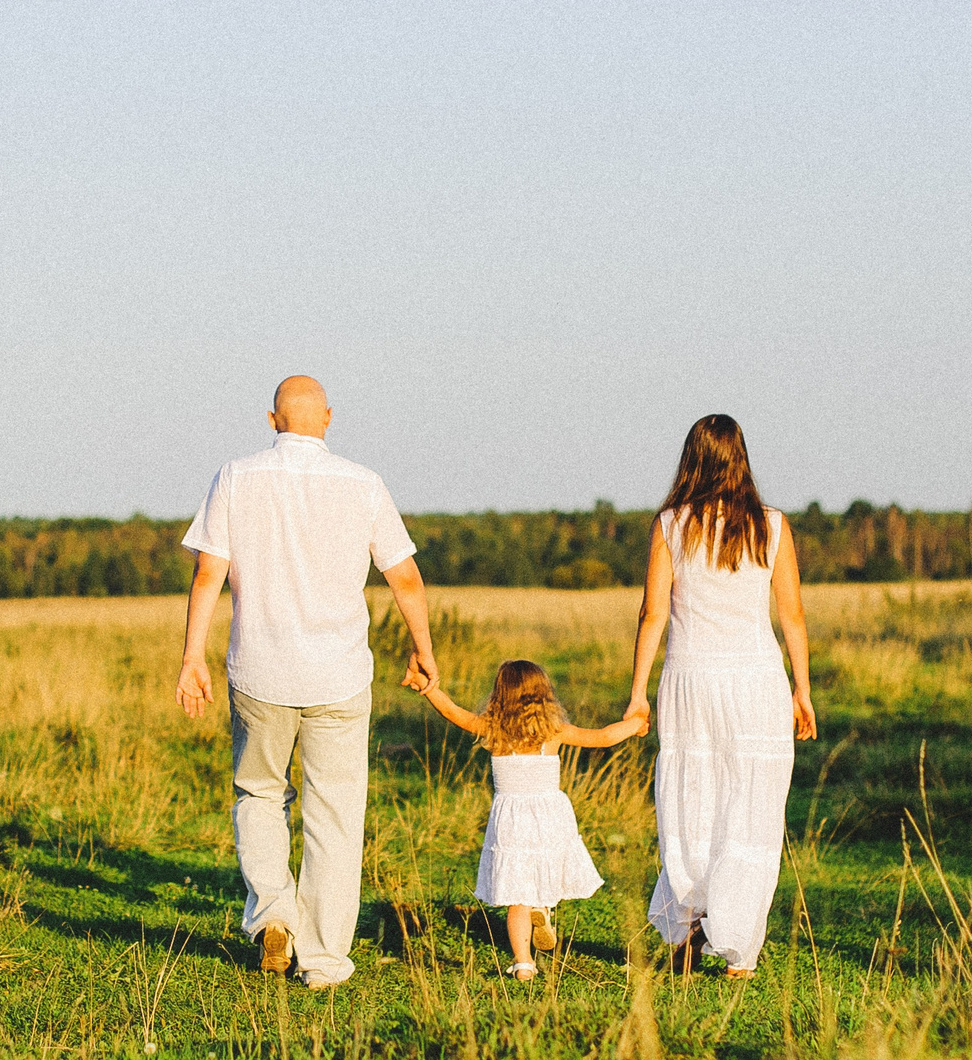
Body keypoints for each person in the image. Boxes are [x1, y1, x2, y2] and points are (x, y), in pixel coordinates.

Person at [177, 375, 437, 990]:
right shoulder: (363, 482)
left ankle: (274, 914)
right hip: (339, 676)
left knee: (260, 794)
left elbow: (208, 573)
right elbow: (405, 577)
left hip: (259, 671)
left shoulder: (235, 477)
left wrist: (193, 657)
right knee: (336, 815)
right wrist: (423, 650)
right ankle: (322, 962)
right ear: (327, 417)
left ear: (273, 420)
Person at [622, 415, 816, 978]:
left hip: (690, 682)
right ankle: (738, 948)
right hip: (757, 683)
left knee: (691, 804)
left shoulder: (671, 525)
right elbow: (793, 615)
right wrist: (802, 689)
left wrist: (637, 694)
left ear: (692, 458)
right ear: (741, 458)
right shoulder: (771, 526)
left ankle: (689, 924)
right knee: (751, 807)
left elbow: (653, 613)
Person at [404, 657, 649, 979]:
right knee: (545, 868)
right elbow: (602, 737)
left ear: (499, 694)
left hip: (510, 817)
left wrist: (426, 686)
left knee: (516, 892)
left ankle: (523, 963)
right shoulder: (554, 731)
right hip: (550, 813)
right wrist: (636, 724)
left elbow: (452, 712)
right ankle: (542, 908)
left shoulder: (492, 729)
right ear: (544, 694)